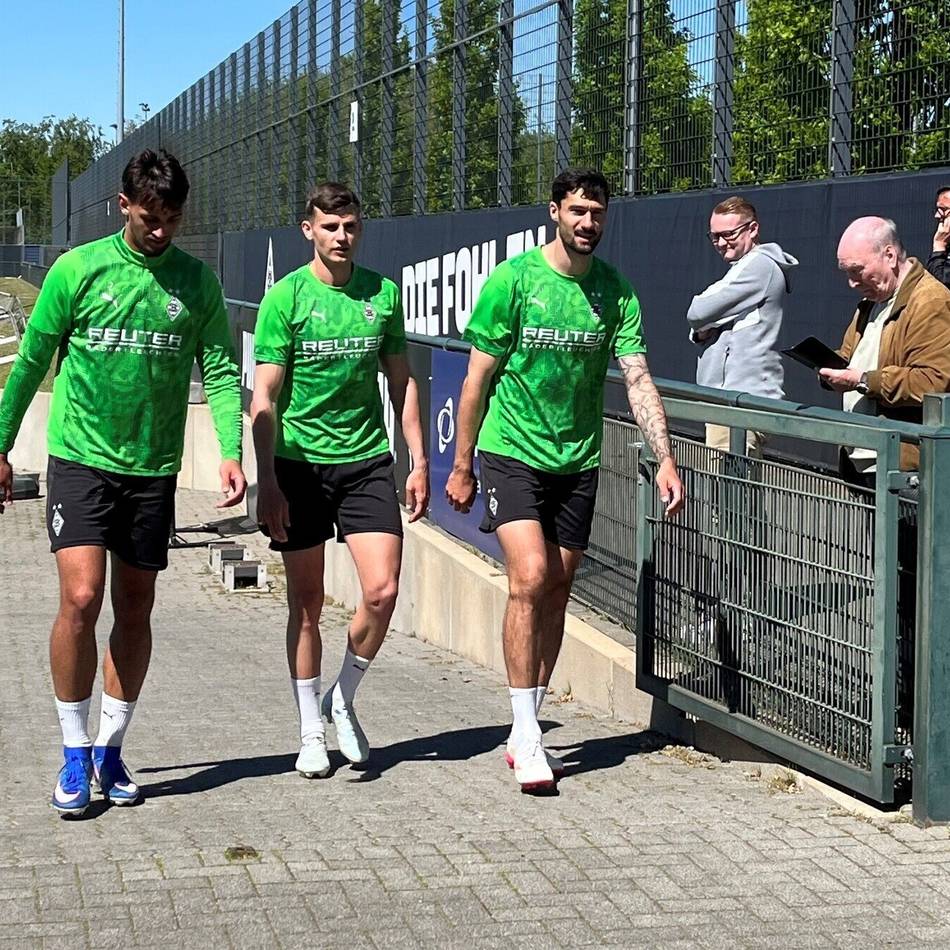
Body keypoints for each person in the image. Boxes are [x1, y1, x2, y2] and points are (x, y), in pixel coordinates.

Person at [0, 149, 246, 815]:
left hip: (152, 470)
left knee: (135, 609)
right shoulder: (78, 271)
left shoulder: (195, 284)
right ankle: (73, 750)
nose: (161, 230)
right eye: (150, 218)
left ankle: (112, 746)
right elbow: (29, 364)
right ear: (124, 206)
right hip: (81, 459)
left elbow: (221, 371)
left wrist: (230, 450)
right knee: (81, 598)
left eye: (172, 219)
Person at [444, 168, 684, 793]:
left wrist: (664, 455)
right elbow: (476, 381)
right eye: (577, 211)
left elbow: (636, 378)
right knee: (529, 576)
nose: (588, 223)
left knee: (558, 587)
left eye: (598, 213)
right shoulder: (515, 281)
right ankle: (526, 732)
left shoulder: (615, 292)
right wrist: (463, 462)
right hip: (512, 450)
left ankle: (531, 706)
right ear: (554, 211)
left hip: (576, 461)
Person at [251, 182, 429, 779]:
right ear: (309, 230)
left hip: (366, 462)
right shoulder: (286, 299)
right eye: (330, 227)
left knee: (381, 591)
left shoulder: (382, 293)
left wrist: (418, 458)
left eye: (350, 226)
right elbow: (265, 397)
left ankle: (343, 698)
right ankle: (308, 731)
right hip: (298, 467)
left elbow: (403, 382)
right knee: (306, 603)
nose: (341, 237)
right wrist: (267, 480)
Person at [820, 216, 950, 481]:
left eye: (857, 270)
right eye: (847, 272)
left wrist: (865, 381)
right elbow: (850, 356)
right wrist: (830, 368)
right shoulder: (872, 300)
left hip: (904, 469)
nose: (852, 282)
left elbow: (934, 381)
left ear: (889, 255)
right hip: (863, 458)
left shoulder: (931, 301)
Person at [687, 196, 797, 456]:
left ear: (753, 229)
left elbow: (697, 311)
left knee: (729, 494)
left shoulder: (759, 265)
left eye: (729, 234)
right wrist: (704, 326)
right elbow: (701, 322)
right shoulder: (742, 267)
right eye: (715, 237)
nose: (721, 243)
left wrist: (704, 322)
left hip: (739, 406)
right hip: (728, 404)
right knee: (727, 493)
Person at [926, 185, 950, 290]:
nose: (937, 215)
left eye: (943, 209)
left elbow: (939, 289)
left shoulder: (941, 244)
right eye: (937, 209)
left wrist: (939, 246)